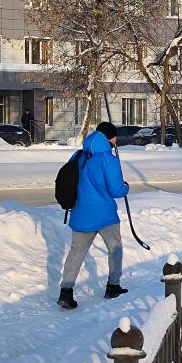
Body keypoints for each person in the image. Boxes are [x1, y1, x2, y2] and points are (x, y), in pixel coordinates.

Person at [57, 122, 130, 309]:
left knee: (76, 253)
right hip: (105, 215)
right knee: (115, 249)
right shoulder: (108, 159)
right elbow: (116, 190)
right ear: (110, 138)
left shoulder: (78, 155)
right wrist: (125, 187)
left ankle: (65, 292)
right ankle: (113, 286)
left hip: (80, 213)